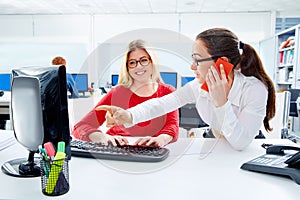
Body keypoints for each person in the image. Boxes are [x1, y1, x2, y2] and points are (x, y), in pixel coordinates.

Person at [97, 28, 276, 151]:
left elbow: (240, 143)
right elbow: (163, 103)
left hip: (245, 149)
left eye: (197, 60)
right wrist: (129, 116)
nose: (192, 67)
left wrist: (222, 103)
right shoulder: (198, 87)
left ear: (222, 63)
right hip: (216, 142)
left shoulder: (254, 90)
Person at [72, 39, 179, 147]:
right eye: (132, 62)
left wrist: (161, 139)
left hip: (152, 150)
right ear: (127, 68)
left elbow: (172, 126)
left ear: (152, 62)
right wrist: (102, 137)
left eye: (144, 60)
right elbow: (80, 127)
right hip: (118, 149)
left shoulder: (168, 92)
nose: (138, 66)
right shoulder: (118, 93)